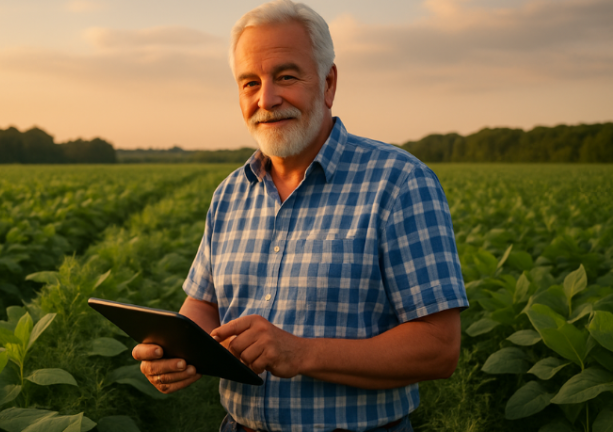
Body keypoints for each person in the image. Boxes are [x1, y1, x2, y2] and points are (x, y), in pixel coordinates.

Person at [132, 1, 469, 431]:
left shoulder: (399, 182)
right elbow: (204, 304)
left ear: (328, 83)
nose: (267, 99)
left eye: (286, 77)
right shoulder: (230, 194)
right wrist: (176, 349)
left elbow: (439, 348)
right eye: (250, 83)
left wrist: (301, 352)